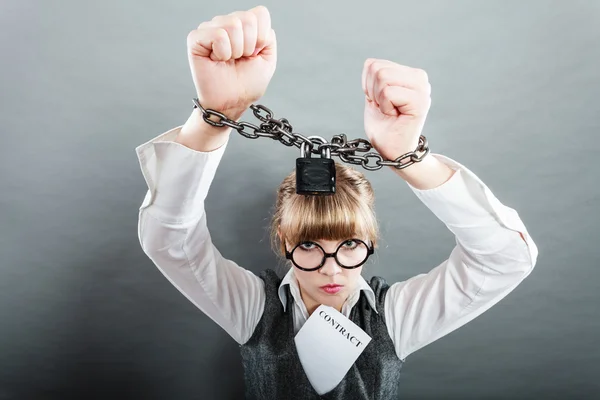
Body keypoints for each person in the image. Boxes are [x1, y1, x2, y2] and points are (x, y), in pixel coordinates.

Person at [134, 5, 539, 399]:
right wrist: (213, 117)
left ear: (370, 241)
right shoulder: (251, 307)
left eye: (349, 246)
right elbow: (171, 242)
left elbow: (505, 258)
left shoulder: (395, 317)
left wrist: (409, 156)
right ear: (284, 240)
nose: (332, 269)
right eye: (309, 246)